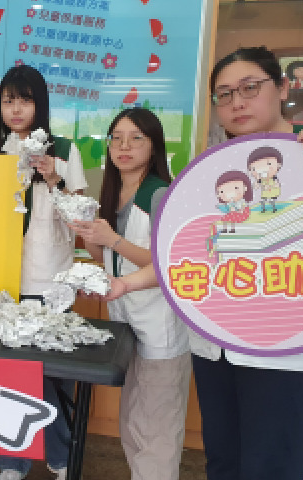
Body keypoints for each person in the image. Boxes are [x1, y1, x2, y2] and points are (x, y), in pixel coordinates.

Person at [197, 46, 303, 480]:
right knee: (222, 463)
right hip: (214, 341)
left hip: (285, 346)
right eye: (225, 94)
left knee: (270, 468)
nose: (237, 102)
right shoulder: (212, 169)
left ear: (282, 88)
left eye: (250, 88)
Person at [0, 64, 86, 480]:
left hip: (50, 278)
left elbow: (81, 218)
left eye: (25, 100)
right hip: (1, 280)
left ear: (40, 104)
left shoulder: (65, 150)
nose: (17, 109)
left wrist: (54, 178)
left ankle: (59, 455)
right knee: (8, 374)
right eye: (9, 101)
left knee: (51, 375)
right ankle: (12, 460)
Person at [69, 108, 190, 480]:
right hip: (126, 320)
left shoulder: (162, 193)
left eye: (136, 138)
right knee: (135, 419)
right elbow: (106, 257)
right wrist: (90, 236)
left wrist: (113, 240)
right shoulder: (113, 191)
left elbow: (170, 263)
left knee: (156, 426)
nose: (124, 146)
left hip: (159, 323)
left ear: (154, 146)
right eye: (116, 138)